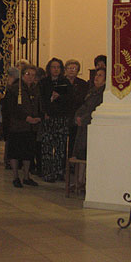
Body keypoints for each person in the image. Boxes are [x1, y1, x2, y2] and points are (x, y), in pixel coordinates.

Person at [72, 67, 106, 197]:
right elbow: (84, 106)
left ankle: (86, 182)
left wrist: (84, 119)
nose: (96, 77)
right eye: (96, 75)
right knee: (80, 153)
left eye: (100, 75)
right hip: (83, 128)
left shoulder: (103, 94)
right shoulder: (92, 91)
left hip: (91, 128)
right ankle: (79, 181)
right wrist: (77, 116)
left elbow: (95, 110)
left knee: (87, 154)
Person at [7, 65, 41, 187]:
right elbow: (12, 108)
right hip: (17, 126)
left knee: (28, 152)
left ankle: (26, 176)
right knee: (15, 152)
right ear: (22, 75)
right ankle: (15, 177)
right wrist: (26, 118)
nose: (30, 77)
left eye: (33, 75)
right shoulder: (15, 89)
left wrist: (38, 117)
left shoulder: (35, 89)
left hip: (30, 127)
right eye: (28, 74)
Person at [39, 57, 72, 183]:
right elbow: (40, 99)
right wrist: (44, 113)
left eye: (58, 67)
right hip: (48, 117)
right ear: (49, 68)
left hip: (61, 118)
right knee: (47, 146)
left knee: (61, 146)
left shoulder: (65, 82)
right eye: (53, 67)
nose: (56, 69)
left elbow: (70, 99)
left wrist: (60, 96)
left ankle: (59, 171)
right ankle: (47, 172)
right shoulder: (43, 83)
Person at [64, 59, 90, 161]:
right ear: (65, 70)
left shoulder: (82, 84)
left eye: (74, 68)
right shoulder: (61, 82)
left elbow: (83, 100)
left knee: (74, 141)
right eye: (69, 68)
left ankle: (71, 163)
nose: (72, 70)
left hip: (76, 115)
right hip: (63, 115)